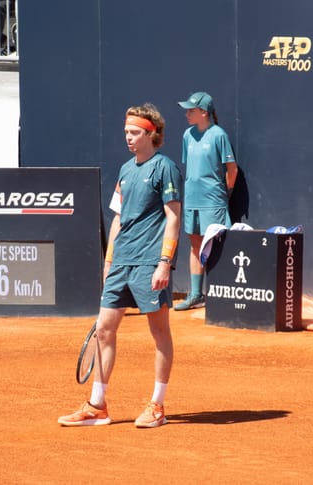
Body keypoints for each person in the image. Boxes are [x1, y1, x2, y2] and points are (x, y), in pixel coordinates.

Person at [58, 103, 182, 429]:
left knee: (159, 332)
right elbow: (117, 219)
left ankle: (157, 404)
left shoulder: (164, 168)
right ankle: (97, 405)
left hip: (148, 262)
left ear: (151, 134)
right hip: (121, 262)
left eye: (135, 132)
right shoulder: (126, 170)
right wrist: (108, 261)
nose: (128, 137)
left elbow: (173, 217)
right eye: (126, 131)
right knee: (104, 329)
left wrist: (165, 263)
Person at [174, 91, 237, 311]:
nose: (187, 114)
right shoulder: (187, 135)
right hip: (192, 199)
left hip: (214, 200)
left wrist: (225, 192)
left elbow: (232, 169)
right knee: (195, 246)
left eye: (191, 110)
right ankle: (196, 295)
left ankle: (222, 295)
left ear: (204, 112)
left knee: (218, 246)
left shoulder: (219, 135)